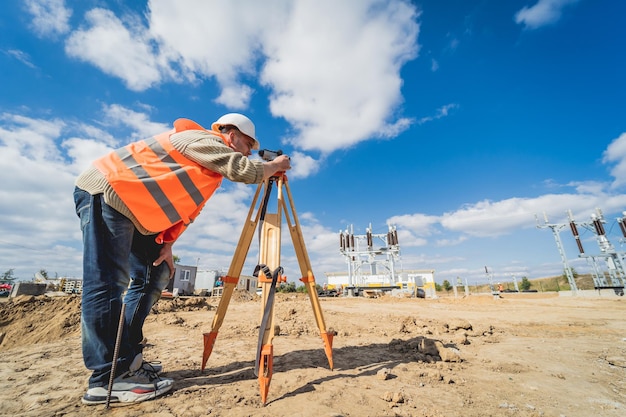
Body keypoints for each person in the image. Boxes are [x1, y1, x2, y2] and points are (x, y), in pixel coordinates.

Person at [73, 113, 291, 405]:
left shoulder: (207, 172)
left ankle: (128, 357)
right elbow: (242, 170)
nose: (250, 151)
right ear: (232, 135)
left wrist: (169, 243)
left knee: (158, 273)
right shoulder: (201, 140)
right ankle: (106, 379)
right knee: (108, 283)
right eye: (249, 145)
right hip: (110, 190)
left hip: (137, 213)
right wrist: (273, 166)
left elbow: (188, 210)